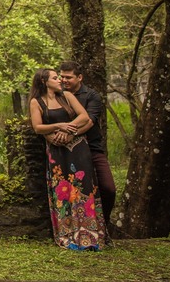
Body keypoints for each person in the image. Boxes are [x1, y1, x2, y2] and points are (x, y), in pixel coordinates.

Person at [28, 68, 105, 250]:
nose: (60, 80)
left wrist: (67, 129)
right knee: (63, 191)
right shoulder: (36, 102)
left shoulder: (68, 96)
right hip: (56, 151)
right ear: (44, 81)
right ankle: (68, 235)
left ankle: (90, 236)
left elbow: (84, 117)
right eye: (55, 78)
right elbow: (38, 127)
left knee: (84, 187)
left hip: (78, 147)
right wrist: (57, 126)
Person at [58, 61, 116, 240]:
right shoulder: (57, 95)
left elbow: (89, 121)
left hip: (92, 147)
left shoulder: (91, 95)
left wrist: (70, 134)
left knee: (107, 188)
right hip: (65, 151)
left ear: (79, 77)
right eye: (62, 76)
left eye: (69, 77)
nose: (64, 80)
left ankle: (104, 223)